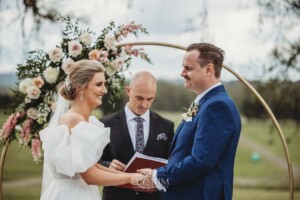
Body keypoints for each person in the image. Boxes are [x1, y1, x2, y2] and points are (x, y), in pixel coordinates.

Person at [139, 43, 242, 200]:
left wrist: (157, 177)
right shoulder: (205, 102)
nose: (182, 73)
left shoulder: (218, 106)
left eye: (188, 68)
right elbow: (182, 150)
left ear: (209, 69)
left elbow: (201, 161)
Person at [39, 60, 145, 200]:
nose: (105, 90)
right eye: (98, 84)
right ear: (80, 87)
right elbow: (89, 176)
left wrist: (131, 175)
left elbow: (92, 166)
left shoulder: (84, 120)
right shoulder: (74, 120)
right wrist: (132, 179)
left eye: (104, 84)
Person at [99, 71, 174, 200]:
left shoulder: (166, 126)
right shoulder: (105, 124)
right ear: (128, 91)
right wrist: (108, 165)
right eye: (139, 98)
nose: (144, 104)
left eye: (150, 99)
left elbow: (172, 162)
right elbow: (92, 161)